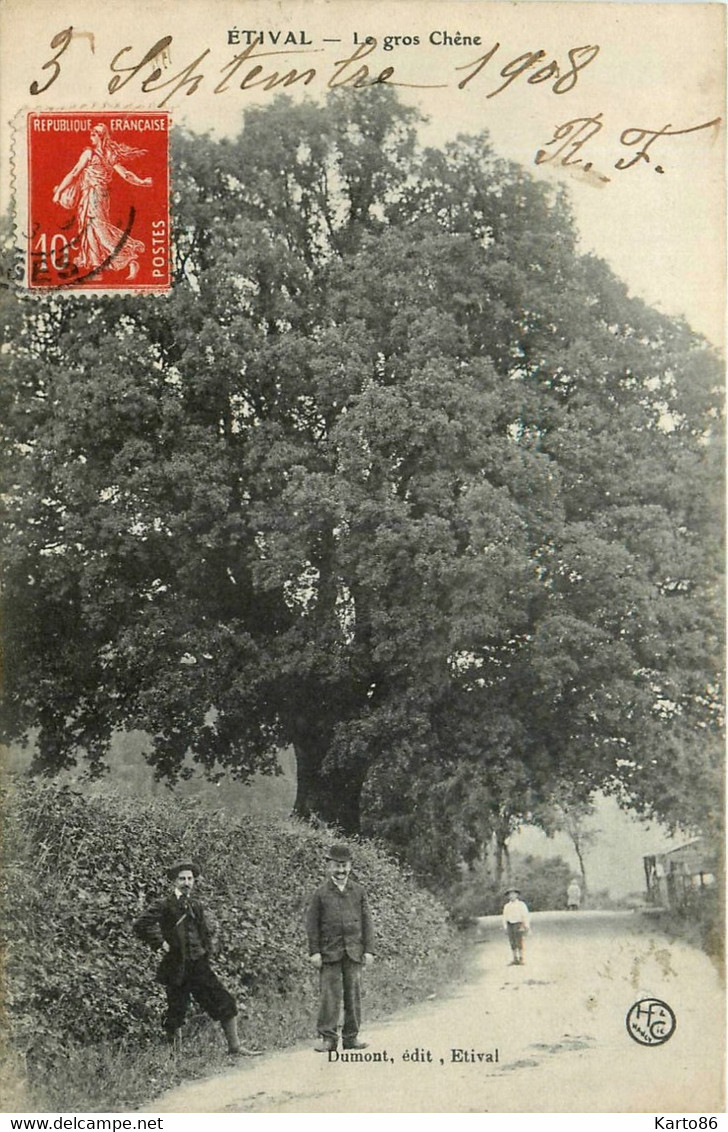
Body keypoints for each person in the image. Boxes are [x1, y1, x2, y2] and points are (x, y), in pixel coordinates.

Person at [133, 860, 259, 1056]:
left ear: (194, 881)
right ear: (174, 881)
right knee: (176, 1010)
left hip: (199, 965)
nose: (186, 882)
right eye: (182, 878)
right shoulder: (164, 905)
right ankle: (176, 1056)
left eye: (190, 879)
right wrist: (161, 943)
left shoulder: (196, 905)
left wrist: (206, 952)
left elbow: (203, 933)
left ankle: (234, 1047)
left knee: (224, 1000)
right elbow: (141, 924)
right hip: (177, 966)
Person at [52, 123, 152, 280]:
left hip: (94, 194)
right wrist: (142, 182)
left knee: (99, 228)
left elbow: (74, 173)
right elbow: (125, 174)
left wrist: (59, 191)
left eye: (94, 133)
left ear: (101, 136)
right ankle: (97, 268)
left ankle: (129, 259)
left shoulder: (89, 154)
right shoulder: (109, 155)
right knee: (89, 229)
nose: (91, 135)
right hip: (96, 195)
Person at [305, 844, 375, 1053]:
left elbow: (367, 921)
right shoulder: (320, 894)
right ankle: (328, 1039)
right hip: (329, 953)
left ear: (350, 866)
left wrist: (369, 950)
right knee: (330, 996)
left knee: (353, 995)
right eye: (337, 866)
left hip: (353, 951)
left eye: (344, 866)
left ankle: (351, 1038)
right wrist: (314, 952)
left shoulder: (358, 891)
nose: (341, 871)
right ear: (329, 866)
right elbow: (312, 925)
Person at [502, 887, 530, 965]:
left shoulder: (521, 905)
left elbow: (525, 915)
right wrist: (505, 927)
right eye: (510, 895)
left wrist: (526, 925)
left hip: (518, 924)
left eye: (513, 894)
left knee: (519, 941)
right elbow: (504, 917)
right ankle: (515, 958)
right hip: (510, 924)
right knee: (512, 941)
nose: (512, 896)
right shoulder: (507, 906)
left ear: (517, 895)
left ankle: (521, 958)